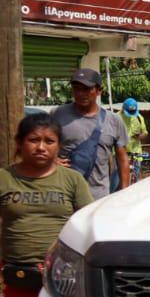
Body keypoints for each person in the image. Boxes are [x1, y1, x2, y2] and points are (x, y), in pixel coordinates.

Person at [0, 113, 92, 297]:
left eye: (49, 141)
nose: (41, 147)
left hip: (64, 279)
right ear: (19, 143)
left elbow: (88, 227)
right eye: (33, 140)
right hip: (20, 277)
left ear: (58, 146)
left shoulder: (73, 180)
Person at [52, 67, 128, 200]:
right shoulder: (57, 114)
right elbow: (42, 145)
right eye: (76, 88)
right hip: (63, 195)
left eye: (86, 89)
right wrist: (51, 161)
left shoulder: (114, 120)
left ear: (99, 91)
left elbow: (122, 159)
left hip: (98, 197)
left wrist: (125, 193)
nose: (81, 93)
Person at [120, 98, 148, 181]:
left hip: (136, 153)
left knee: (136, 179)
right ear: (123, 108)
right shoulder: (116, 117)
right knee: (119, 180)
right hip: (121, 153)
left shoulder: (139, 118)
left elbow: (145, 132)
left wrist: (140, 136)